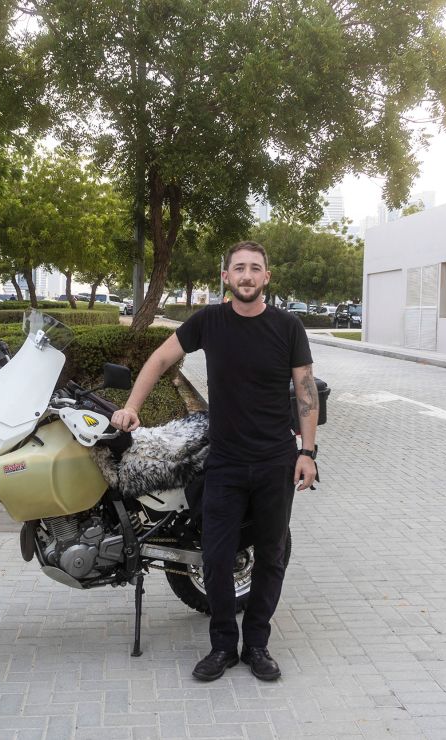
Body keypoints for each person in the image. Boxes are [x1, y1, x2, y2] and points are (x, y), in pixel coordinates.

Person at [111, 240, 319, 682]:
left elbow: (306, 391)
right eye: (238, 268)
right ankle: (223, 645)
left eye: (255, 268)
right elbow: (160, 358)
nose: (246, 275)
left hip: (275, 461)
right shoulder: (209, 321)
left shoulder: (288, 327)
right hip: (222, 461)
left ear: (267, 277)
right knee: (215, 558)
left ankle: (257, 644)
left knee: (270, 554)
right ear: (225, 276)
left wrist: (307, 451)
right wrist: (131, 407)